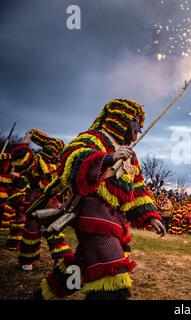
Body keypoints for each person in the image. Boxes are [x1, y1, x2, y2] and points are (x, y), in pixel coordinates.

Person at [32, 99, 166, 300]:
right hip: (94, 217)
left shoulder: (131, 155)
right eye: (135, 122)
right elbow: (72, 159)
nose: (139, 129)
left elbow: (138, 188)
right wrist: (108, 158)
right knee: (112, 274)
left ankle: (41, 297)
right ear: (121, 120)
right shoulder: (94, 138)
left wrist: (150, 217)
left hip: (116, 221)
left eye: (140, 124)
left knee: (81, 267)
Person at [11, 129, 72, 270]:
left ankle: (61, 259)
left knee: (51, 231)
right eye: (52, 148)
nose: (53, 152)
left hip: (50, 202)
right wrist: (28, 137)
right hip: (37, 201)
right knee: (34, 230)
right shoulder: (37, 161)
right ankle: (29, 261)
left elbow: (64, 185)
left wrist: (28, 138)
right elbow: (21, 156)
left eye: (55, 150)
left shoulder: (58, 167)